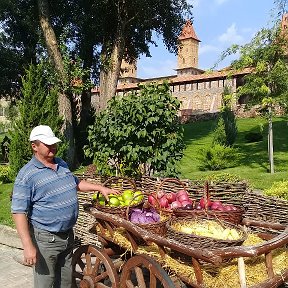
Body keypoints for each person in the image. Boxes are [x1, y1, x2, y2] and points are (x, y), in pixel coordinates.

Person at [11, 125, 119, 288]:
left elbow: (76, 183)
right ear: (34, 146)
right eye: (47, 144)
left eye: (54, 142)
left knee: (66, 282)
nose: (53, 146)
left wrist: (100, 188)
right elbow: (18, 211)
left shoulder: (61, 164)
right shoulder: (27, 175)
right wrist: (27, 245)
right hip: (46, 239)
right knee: (45, 283)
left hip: (67, 235)